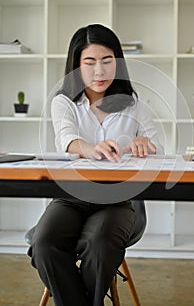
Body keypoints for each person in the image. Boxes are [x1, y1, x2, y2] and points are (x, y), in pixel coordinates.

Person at [28, 24, 163, 306]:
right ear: (77, 66)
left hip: (119, 200)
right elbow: (67, 139)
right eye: (89, 63)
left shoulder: (135, 104)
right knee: (44, 244)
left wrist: (145, 144)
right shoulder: (64, 102)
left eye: (107, 61)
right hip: (71, 197)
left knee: (100, 245)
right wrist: (90, 149)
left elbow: (158, 147)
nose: (99, 71)